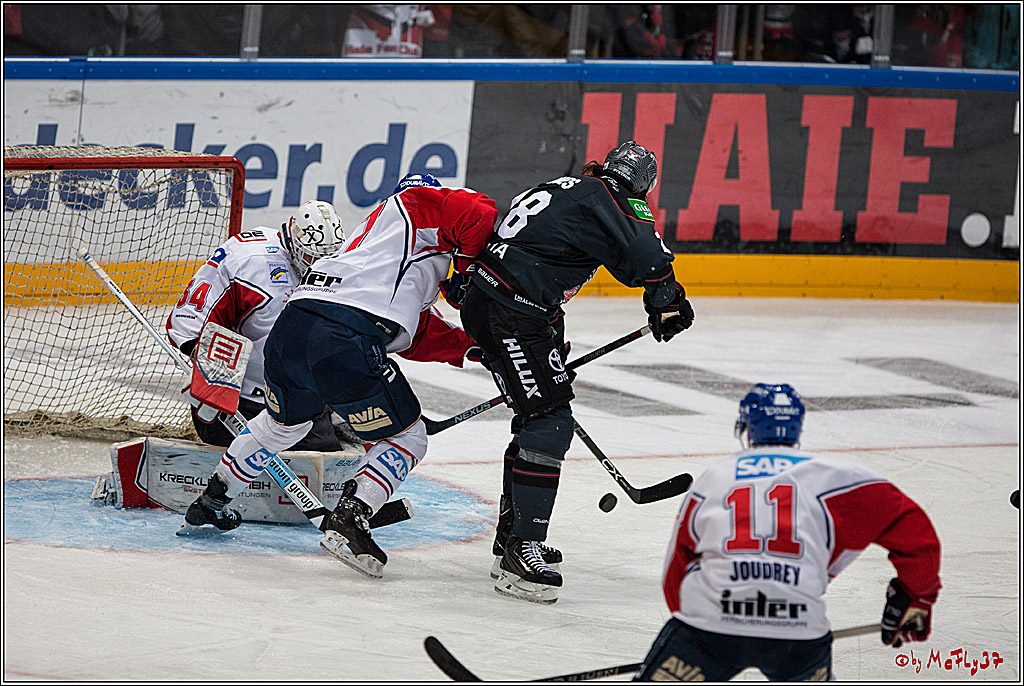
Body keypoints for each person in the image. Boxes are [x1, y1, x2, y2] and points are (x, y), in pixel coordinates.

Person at [180, 173, 498, 579]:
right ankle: (353, 516)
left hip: (290, 333)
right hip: (340, 339)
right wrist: (470, 272)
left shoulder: (366, 246)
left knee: (281, 427)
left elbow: (413, 331)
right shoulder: (416, 205)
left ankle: (211, 501)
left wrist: (470, 347)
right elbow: (478, 212)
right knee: (407, 436)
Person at [455, 141, 695, 604]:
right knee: (549, 421)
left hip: (506, 306)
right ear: (642, 182)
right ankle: (520, 550)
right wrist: (667, 299)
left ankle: (513, 536)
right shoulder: (613, 197)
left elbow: (543, 256)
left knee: (535, 418)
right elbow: (647, 252)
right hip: (511, 311)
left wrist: (551, 341)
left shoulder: (576, 189)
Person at [635, 383, 942, 681]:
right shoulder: (837, 477)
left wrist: (698, 624)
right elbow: (914, 528)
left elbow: (677, 568)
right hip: (798, 634)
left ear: (746, 426)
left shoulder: (714, 477)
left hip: (711, 629)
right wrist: (915, 597)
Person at [166, 200, 348, 450]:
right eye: (311, 256)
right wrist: (205, 363)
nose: (319, 266)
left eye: (327, 257)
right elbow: (190, 316)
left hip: (300, 401)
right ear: (294, 242)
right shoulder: (247, 258)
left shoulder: (341, 266)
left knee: (323, 462)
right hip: (240, 404)